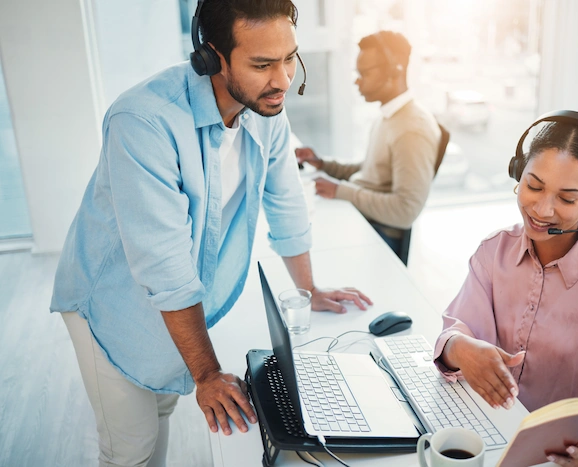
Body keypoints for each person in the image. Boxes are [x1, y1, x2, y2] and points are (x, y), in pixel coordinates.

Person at [50, 1, 371, 466]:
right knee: (131, 450)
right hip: (111, 304)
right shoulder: (143, 122)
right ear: (213, 57)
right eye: (262, 64)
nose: (282, 80)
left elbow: (286, 202)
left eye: (288, 58)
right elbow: (164, 263)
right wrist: (207, 374)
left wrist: (309, 288)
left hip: (170, 302)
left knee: (159, 404)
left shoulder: (266, 111)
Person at [433, 112, 578, 467]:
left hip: (553, 457)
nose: (542, 210)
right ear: (517, 173)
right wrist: (459, 347)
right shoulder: (493, 252)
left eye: (567, 199)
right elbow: (458, 328)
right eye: (534, 186)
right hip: (483, 428)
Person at [295, 30, 441, 257]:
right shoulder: (390, 116)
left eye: (364, 73)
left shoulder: (412, 129)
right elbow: (371, 171)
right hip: (363, 217)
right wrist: (322, 163)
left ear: (395, 71)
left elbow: (406, 210)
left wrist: (340, 191)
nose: (356, 80)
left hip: (378, 233)